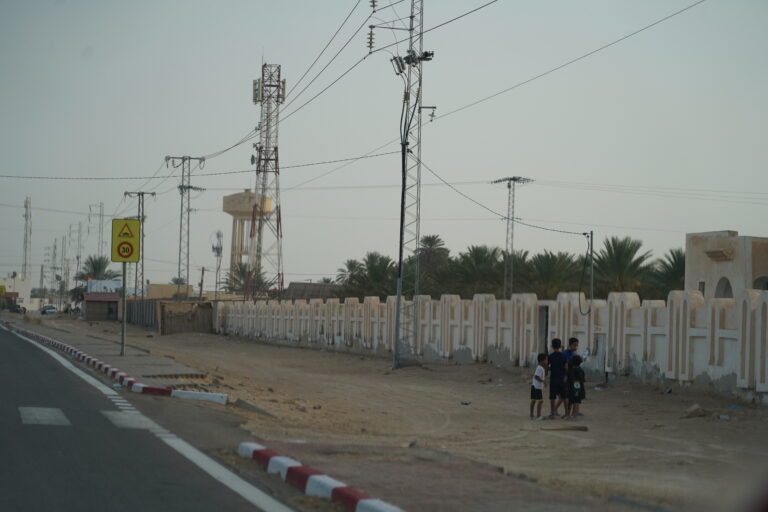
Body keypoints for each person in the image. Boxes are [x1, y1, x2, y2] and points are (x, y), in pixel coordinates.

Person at [548, 338, 567, 419]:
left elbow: (547, 367)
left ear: (552, 346)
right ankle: (567, 413)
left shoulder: (550, 356)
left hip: (553, 378)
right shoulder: (563, 356)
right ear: (560, 346)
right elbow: (566, 367)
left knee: (552, 397)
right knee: (564, 397)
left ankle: (553, 414)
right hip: (562, 378)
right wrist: (565, 376)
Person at [565, 355, 586, 419]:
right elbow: (584, 379)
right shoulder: (581, 371)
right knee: (576, 401)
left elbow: (566, 380)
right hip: (579, 389)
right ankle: (574, 415)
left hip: (571, 388)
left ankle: (568, 414)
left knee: (570, 401)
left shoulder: (570, 370)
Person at [530, 353, 547, 420]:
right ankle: (538, 415)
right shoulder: (540, 368)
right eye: (546, 359)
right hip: (537, 387)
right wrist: (543, 381)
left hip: (534, 386)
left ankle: (531, 415)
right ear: (542, 361)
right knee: (540, 401)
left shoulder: (539, 367)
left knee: (533, 400)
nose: (547, 361)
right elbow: (536, 377)